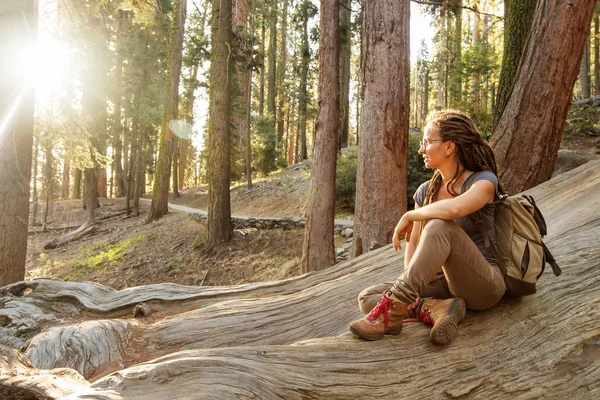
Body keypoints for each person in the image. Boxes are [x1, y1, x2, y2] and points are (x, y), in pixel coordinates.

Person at [348, 109, 505, 345]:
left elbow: (454, 210)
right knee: (367, 297)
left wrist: (411, 214)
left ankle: (392, 313)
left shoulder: (483, 181)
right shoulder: (426, 191)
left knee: (440, 226)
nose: (421, 149)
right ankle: (437, 307)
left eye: (427, 142)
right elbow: (413, 245)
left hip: (484, 284)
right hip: (443, 284)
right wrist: (411, 289)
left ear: (449, 147)